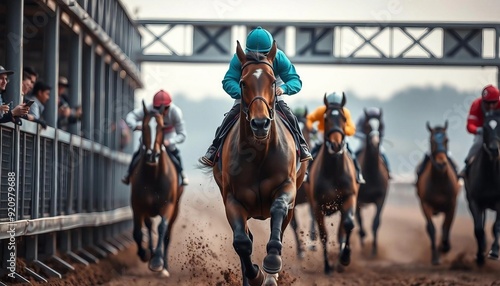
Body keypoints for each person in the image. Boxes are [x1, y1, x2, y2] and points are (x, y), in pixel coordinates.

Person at [199, 26, 312, 166]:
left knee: (289, 115)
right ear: (248, 52)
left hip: (272, 89)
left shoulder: (279, 57)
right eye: (255, 54)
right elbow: (228, 81)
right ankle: (214, 148)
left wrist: (284, 88)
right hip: (248, 89)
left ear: (271, 52)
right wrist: (245, 93)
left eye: (264, 55)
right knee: (231, 116)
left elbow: (295, 80)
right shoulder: (239, 58)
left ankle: (302, 145)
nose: (259, 58)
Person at [122, 89, 189, 186]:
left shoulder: (176, 112)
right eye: (157, 108)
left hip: (167, 135)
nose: (161, 111)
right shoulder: (149, 109)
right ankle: (128, 174)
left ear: (169, 106)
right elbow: (130, 117)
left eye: (165, 108)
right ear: (153, 106)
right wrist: (136, 126)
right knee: (140, 150)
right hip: (151, 135)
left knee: (173, 150)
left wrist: (169, 141)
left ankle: (182, 173)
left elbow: (182, 135)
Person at [306, 91, 365, 184]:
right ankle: (307, 173)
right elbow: (309, 119)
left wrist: (338, 130)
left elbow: (352, 129)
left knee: (351, 153)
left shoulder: (345, 112)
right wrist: (312, 129)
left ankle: (358, 174)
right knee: (313, 152)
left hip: (340, 135)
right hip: (323, 134)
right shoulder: (321, 110)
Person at [459, 84, 500, 177]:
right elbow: (470, 124)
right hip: (484, 132)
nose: (491, 106)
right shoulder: (476, 105)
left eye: (494, 103)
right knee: (478, 142)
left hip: (498, 132)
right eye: (488, 103)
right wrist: (478, 130)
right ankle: (468, 165)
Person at [354, 107, 392, 179]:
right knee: (355, 153)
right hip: (364, 142)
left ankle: (389, 171)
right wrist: (366, 137)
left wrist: (378, 136)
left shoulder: (380, 120)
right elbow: (356, 132)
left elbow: (382, 132)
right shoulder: (362, 119)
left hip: (376, 140)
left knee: (382, 153)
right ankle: (354, 171)